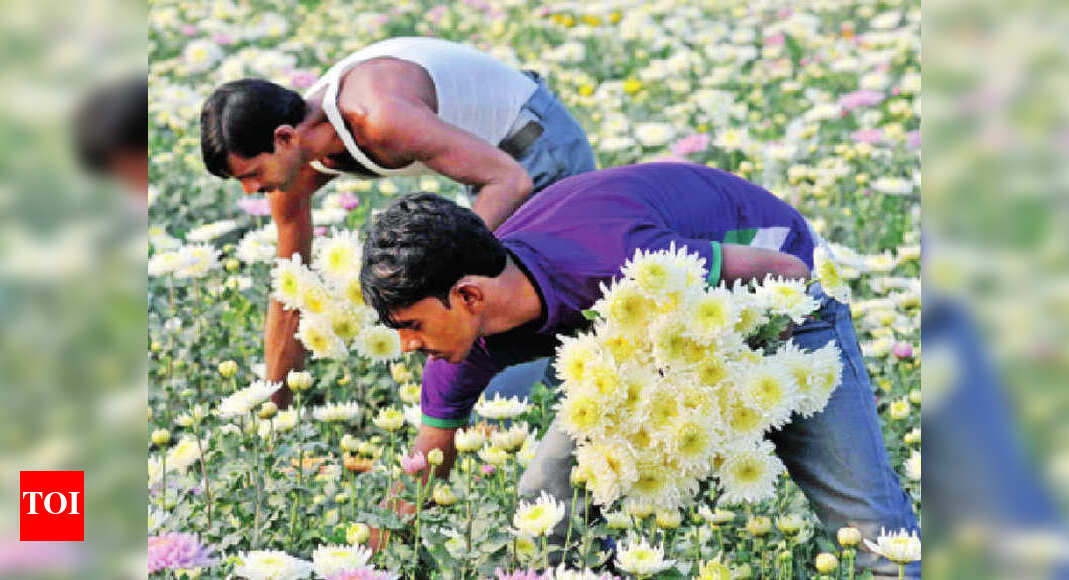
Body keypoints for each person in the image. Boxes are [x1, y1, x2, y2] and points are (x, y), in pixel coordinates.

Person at [360, 162, 921, 578]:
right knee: (549, 494)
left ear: (468, 295)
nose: (407, 346)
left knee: (868, 520)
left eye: (411, 325)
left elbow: (787, 270)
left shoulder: (619, 260)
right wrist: (362, 565)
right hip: (658, 334)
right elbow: (424, 470)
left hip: (776, 296)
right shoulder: (458, 347)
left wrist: (734, 384)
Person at [199, 37, 595, 406]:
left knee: (507, 311)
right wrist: (276, 407)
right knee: (481, 312)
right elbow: (290, 287)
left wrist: (431, 269)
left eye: (252, 174)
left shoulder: (380, 117)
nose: (250, 190)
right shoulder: (291, 167)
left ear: (285, 138)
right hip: (487, 167)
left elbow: (511, 180)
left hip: (537, 147)